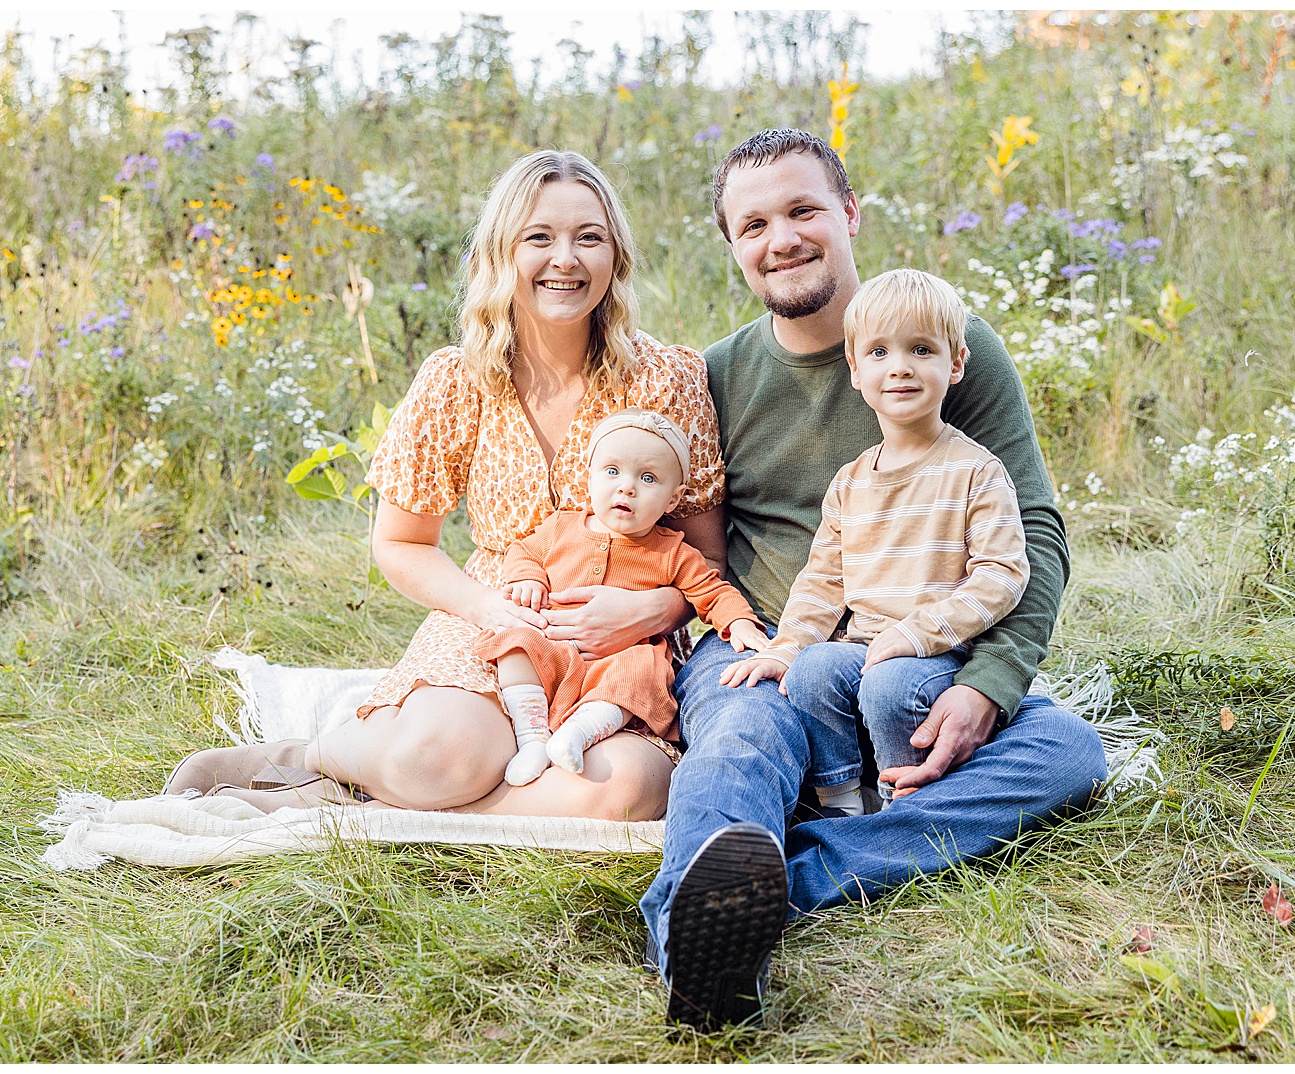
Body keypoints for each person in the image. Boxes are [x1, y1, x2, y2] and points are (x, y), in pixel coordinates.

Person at [641, 129, 1108, 1031]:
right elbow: (683, 543)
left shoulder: (941, 343)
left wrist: (989, 684)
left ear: (850, 214)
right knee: (736, 745)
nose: (782, 239)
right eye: (754, 225)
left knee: (1068, 755)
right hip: (774, 647)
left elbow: (1034, 534)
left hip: (923, 652)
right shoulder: (718, 376)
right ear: (733, 245)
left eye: (804, 210)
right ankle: (695, 955)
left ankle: (783, 877)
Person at [164, 149, 727, 820]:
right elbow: (402, 543)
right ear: (500, 253)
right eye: (538, 237)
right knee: (438, 758)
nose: (566, 259)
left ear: (616, 256)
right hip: (490, 614)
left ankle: (374, 798)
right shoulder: (458, 380)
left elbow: (707, 556)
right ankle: (312, 758)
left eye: (589, 238)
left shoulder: (668, 379)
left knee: (630, 789)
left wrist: (653, 611)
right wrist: (490, 609)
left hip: (618, 649)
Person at [721, 268, 1029, 818]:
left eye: (921, 350)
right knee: (813, 671)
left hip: (938, 652)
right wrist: (786, 646)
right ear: (856, 369)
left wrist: (917, 632)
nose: (901, 368)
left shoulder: (976, 471)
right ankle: (841, 801)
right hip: (862, 643)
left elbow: (1002, 575)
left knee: (888, 687)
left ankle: (905, 802)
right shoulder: (852, 481)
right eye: (880, 353)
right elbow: (823, 580)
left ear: (955, 363)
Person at [475, 408, 769, 786]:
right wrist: (528, 578)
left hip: (618, 660)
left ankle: (581, 731)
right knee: (516, 643)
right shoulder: (561, 527)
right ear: (590, 477)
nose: (626, 487)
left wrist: (739, 620)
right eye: (612, 472)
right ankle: (532, 736)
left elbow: (711, 590)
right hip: (554, 642)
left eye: (647, 478)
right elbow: (523, 551)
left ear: (673, 500)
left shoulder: (672, 551)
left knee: (645, 670)